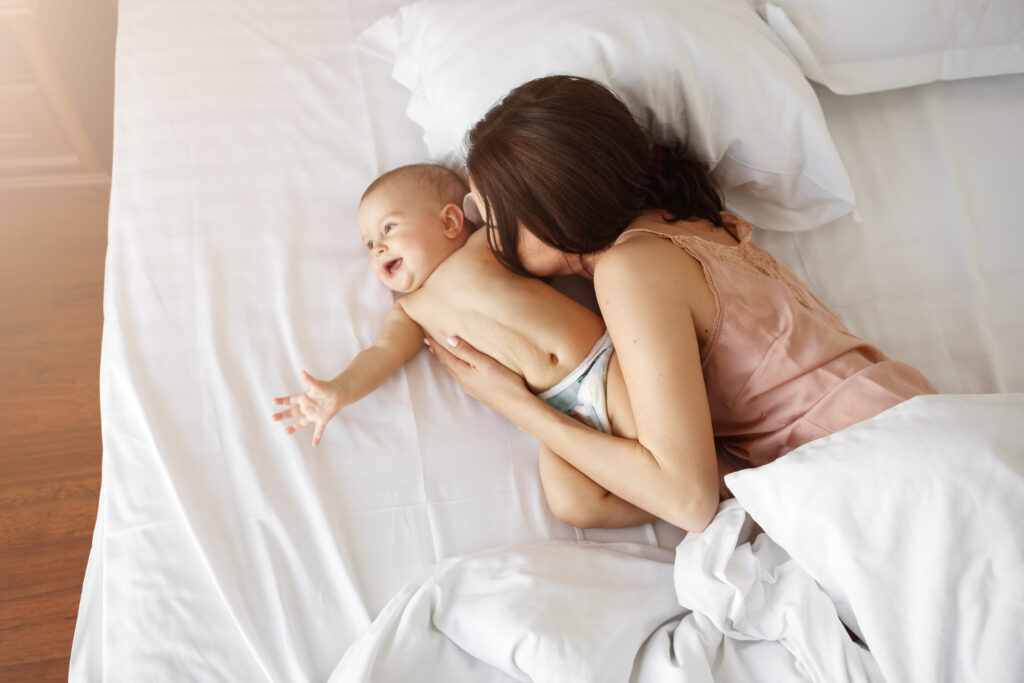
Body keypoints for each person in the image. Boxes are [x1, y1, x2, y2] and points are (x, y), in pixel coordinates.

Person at [426, 75, 936, 533]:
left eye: (491, 217)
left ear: (551, 211)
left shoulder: (632, 270)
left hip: (874, 467)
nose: (487, 237)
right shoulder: (685, 219)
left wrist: (514, 402)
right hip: (901, 426)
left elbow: (688, 501)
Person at [272, 162, 700, 529]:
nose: (377, 247)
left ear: (450, 221)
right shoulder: (410, 312)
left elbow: (536, 226)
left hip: (599, 367)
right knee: (572, 504)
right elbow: (380, 356)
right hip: (551, 411)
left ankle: (718, 485)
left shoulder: (484, 247)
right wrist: (340, 391)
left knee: (661, 449)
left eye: (389, 228)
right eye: (369, 244)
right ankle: (668, 507)